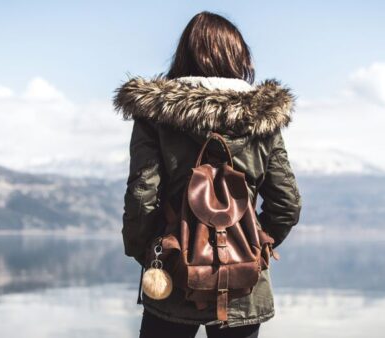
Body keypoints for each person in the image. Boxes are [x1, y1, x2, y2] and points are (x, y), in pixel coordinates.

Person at [113, 11, 302, 338]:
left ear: (184, 56)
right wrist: (252, 248)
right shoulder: (264, 119)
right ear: (238, 56)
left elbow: (142, 199)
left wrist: (150, 253)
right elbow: (286, 204)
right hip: (244, 283)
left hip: (172, 276)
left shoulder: (155, 115)